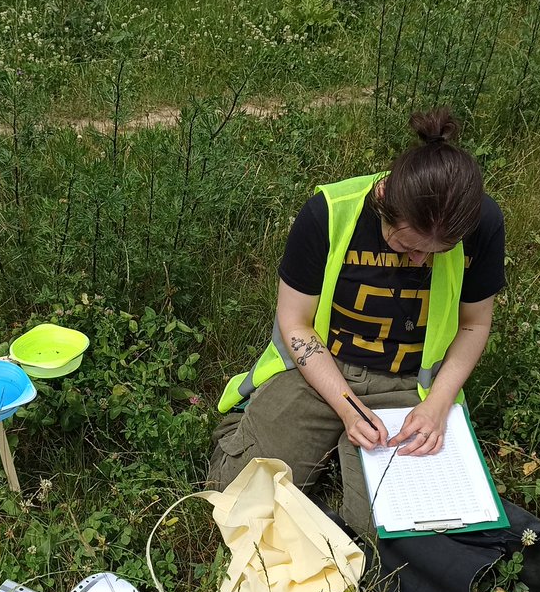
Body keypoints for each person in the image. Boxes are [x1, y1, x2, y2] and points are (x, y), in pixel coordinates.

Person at [208, 106, 506, 535]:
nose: (421, 261)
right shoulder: (329, 212)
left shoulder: (482, 222)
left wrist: (438, 404)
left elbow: (475, 324)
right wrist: (347, 408)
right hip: (320, 371)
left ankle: (343, 477)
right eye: (407, 246)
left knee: (394, 535)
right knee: (232, 494)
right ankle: (286, 433)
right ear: (384, 202)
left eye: (436, 252)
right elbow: (296, 324)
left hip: (411, 386)